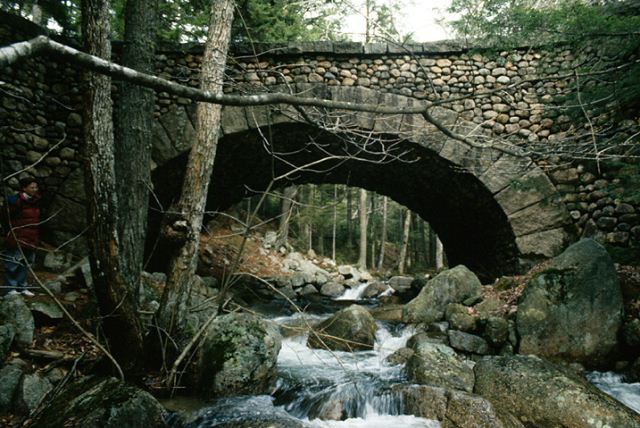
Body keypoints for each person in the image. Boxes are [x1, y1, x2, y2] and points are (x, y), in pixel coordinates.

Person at [3, 178, 41, 297]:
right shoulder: (15, 201)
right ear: (24, 188)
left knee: (26, 263)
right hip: (17, 236)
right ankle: (10, 288)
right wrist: (9, 232)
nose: (35, 190)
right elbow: (5, 218)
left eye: (36, 187)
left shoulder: (36, 201)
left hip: (31, 237)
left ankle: (22, 287)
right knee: (13, 263)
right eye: (32, 187)